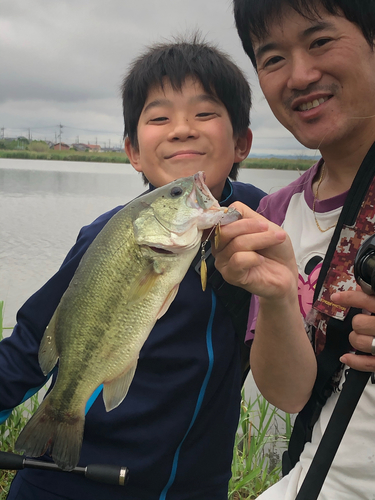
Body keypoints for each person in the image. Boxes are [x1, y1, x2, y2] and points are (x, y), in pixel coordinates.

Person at [0, 36, 265, 500]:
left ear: (241, 141)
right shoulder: (111, 238)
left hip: (194, 487)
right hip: (69, 485)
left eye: (204, 114)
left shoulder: (268, 224)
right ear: (133, 152)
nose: (182, 129)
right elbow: (27, 348)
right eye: (159, 117)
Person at [211, 1, 375, 499]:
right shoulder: (278, 212)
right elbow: (287, 396)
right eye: (273, 58)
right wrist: (281, 296)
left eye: (320, 41)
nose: (300, 75)